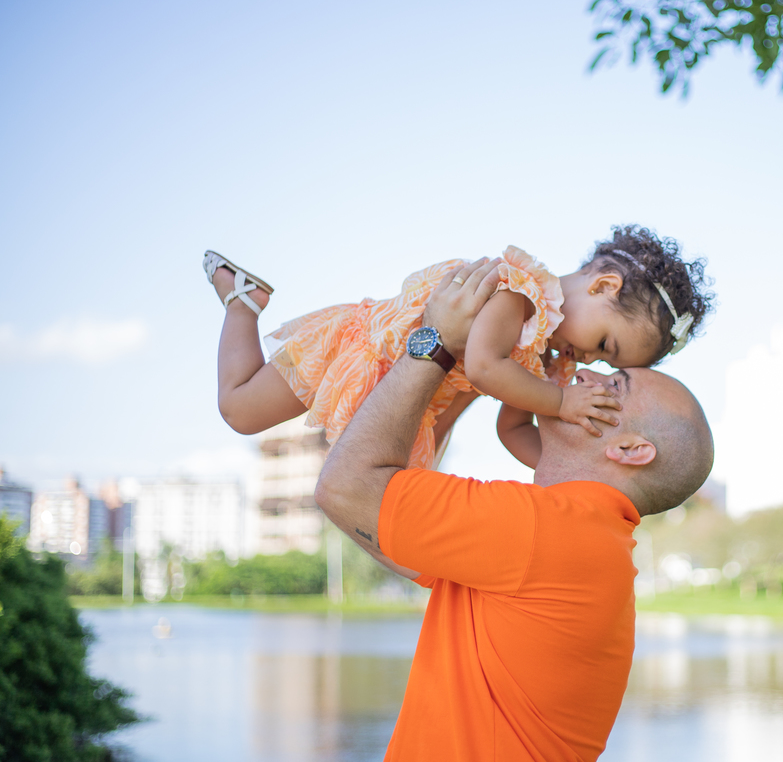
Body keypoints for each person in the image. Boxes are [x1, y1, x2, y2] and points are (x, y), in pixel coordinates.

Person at [314, 257, 715, 761]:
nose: (587, 373)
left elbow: (345, 487)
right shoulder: (584, 543)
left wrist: (433, 341)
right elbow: (383, 526)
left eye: (615, 386)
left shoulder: (546, 532)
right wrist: (466, 365)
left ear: (631, 450)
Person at [202, 226, 713, 469]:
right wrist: (560, 401)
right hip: (359, 353)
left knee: (390, 487)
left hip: (403, 398)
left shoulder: (535, 354)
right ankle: (242, 303)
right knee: (240, 410)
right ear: (602, 287)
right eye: (603, 343)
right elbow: (484, 366)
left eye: (604, 361)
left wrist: (579, 470)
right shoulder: (518, 293)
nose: (590, 360)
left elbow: (510, 428)